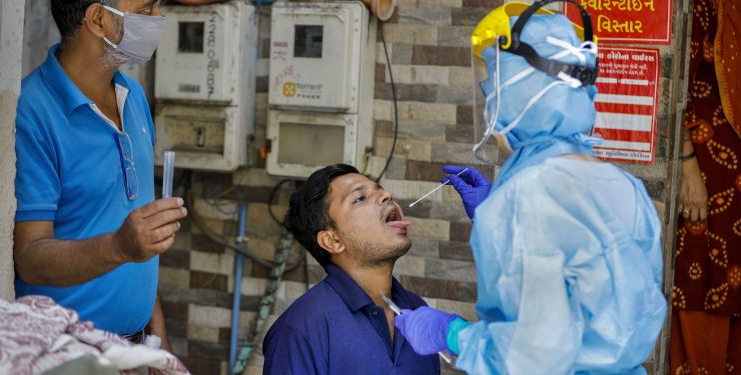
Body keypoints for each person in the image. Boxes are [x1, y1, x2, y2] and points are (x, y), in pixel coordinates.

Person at [393, 1, 667, 374]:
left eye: (493, 90)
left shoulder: (526, 200)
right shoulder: (625, 186)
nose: (489, 107)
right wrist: (502, 219)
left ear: (522, 93)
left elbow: (534, 357)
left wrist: (452, 334)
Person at [13, 0, 186, 350]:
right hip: (66, 352)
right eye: (146, 8)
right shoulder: (32, 110)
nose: (158, 18)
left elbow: (139, 238)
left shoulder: (133, 96)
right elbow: (29, 258)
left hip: (133, 347)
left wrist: (156, 334)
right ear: (98, 19)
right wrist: (119, 246)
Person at [262, 164, 440, 375]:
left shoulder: (418, 309)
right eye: (360, 198)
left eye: (379, 188)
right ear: (333, 240)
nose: (386, 195)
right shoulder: (300, 330)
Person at [669, 0, 741, 372]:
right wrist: (686, 163)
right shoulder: (702, 6)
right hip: (709, 181)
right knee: (704, 289)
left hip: (735, 180)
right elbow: (676, 80)